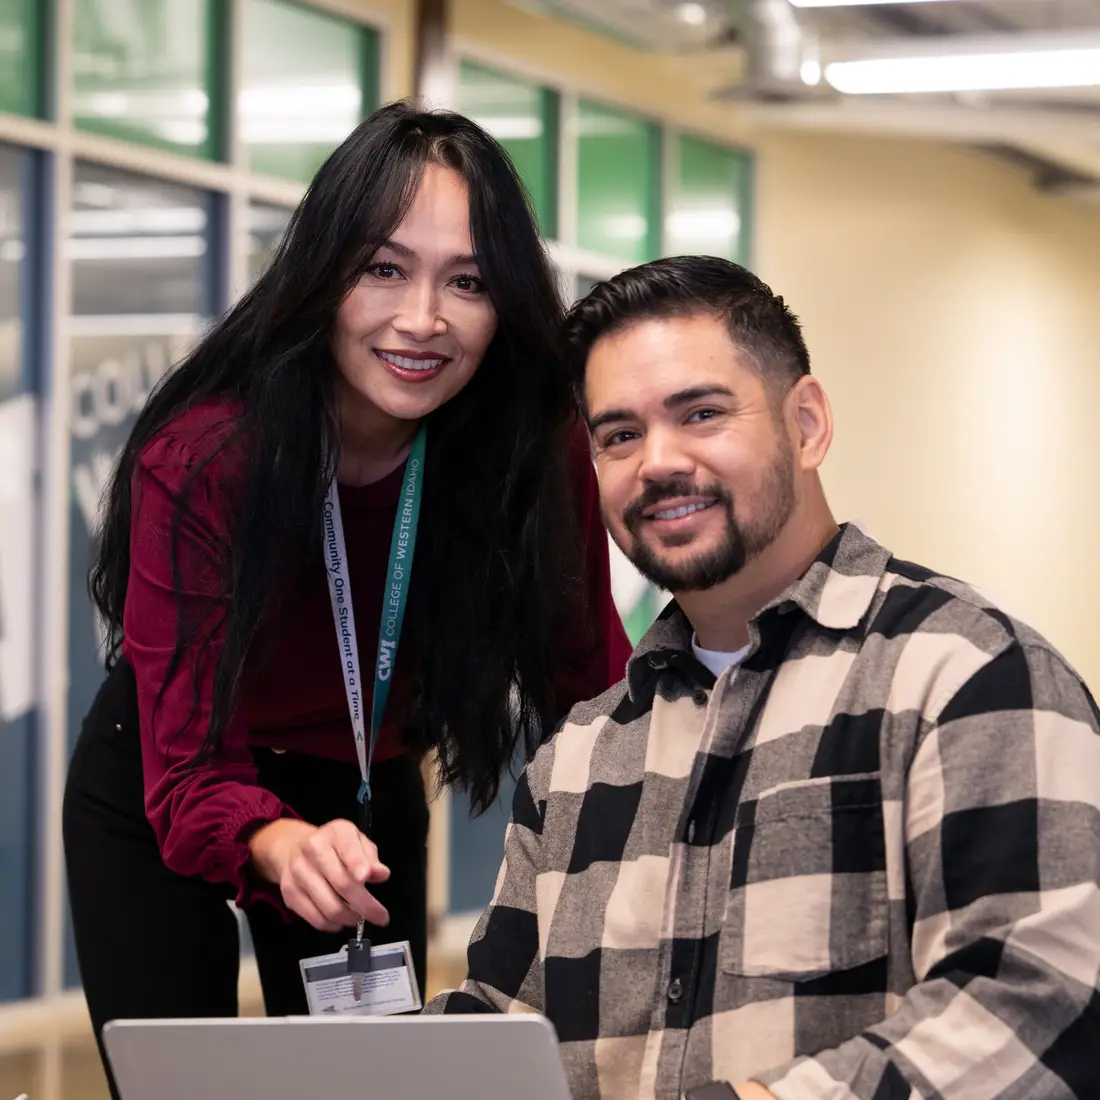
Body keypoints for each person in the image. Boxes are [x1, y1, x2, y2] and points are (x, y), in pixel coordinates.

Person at [424, 256, 1100, 1100]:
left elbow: (1046, 1003)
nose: (657, 462)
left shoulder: (969, 679)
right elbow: (501, 1032)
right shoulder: (580, 759)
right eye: (619, 435)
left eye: (701, 413)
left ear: (807, 424)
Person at [62, 101, 631, 1097]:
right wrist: (278, 842)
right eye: (382, 268)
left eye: (468, 281)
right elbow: (189, 762)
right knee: (170, 1080)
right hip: (169, 777)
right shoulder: (203, 460)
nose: (422, 319)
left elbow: (585, 685)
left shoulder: (528, 454)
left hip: (363, 783)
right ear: (321, 274)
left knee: (369, 1084)